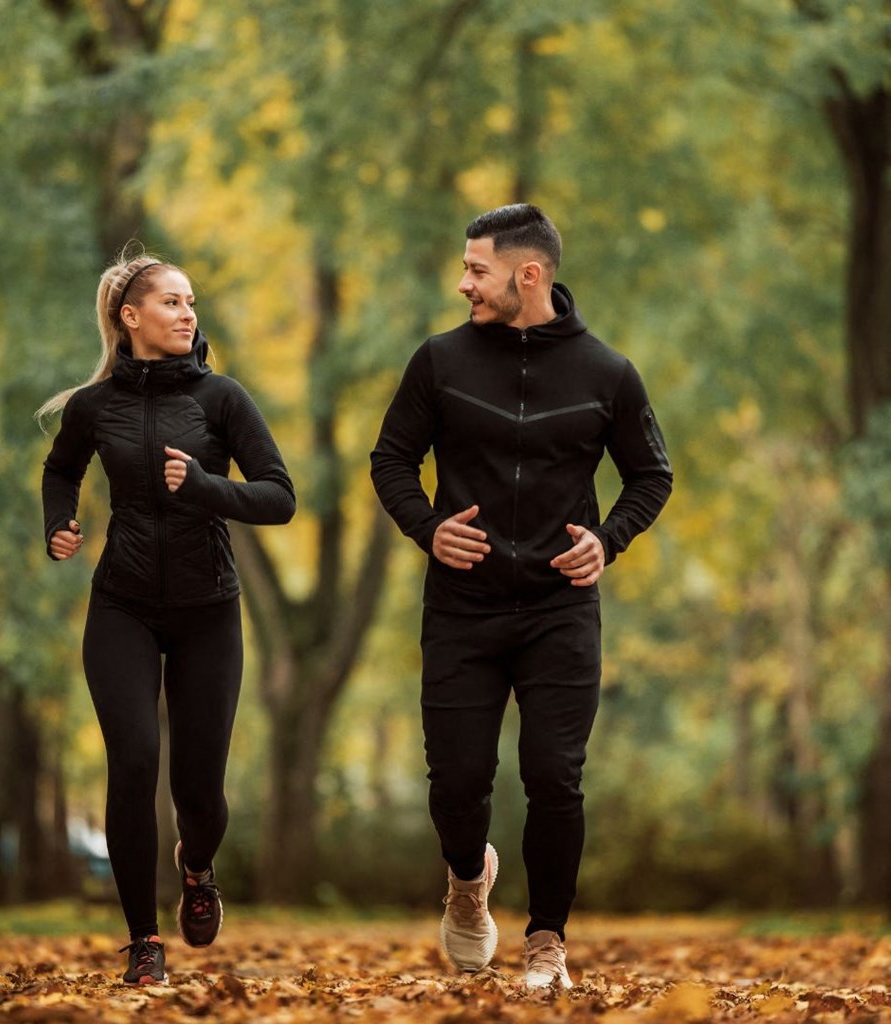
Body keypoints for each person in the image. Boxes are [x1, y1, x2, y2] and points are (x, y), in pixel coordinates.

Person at [370, 204, 672, 990]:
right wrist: (428, 528)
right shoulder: (438, 362)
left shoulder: (607, 374)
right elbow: (392, 460)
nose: (462, 281)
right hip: (462, 608)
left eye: (476, 269)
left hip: (558, 609)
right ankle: (469, 883)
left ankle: (547, 943)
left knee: (554, 774)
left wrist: (608, 540)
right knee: (458, 781)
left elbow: (651, 476)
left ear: (527, 274)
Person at [39, 253, 295, 985]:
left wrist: (208, 487)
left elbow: (280, 497)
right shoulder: (94, 406)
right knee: (135, 763)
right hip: (122, 601)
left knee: (199, 790)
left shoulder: (222, 399)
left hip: (208, 607)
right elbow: (62, 468)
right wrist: (59, 523)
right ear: (132, 318)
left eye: (191, 303)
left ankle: (198, 864)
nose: (188, 314)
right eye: (173, 303)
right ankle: (143, 941)